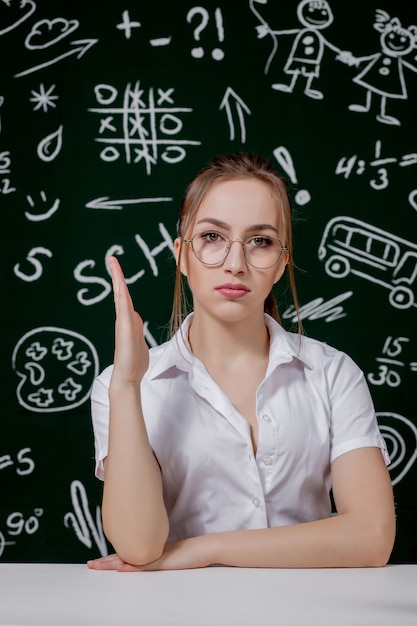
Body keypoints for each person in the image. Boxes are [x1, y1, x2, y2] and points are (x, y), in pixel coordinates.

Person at [87, 152, 395, 572]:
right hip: (176, 611)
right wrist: (127, 384)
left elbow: (372, 537)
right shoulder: (119, 387)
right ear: (181, 255)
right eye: (212, 237)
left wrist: (202, 549)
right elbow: (139, 547)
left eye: (260, 241)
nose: (235, 263)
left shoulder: (333, 373)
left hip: (313, 609)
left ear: (282, 261)